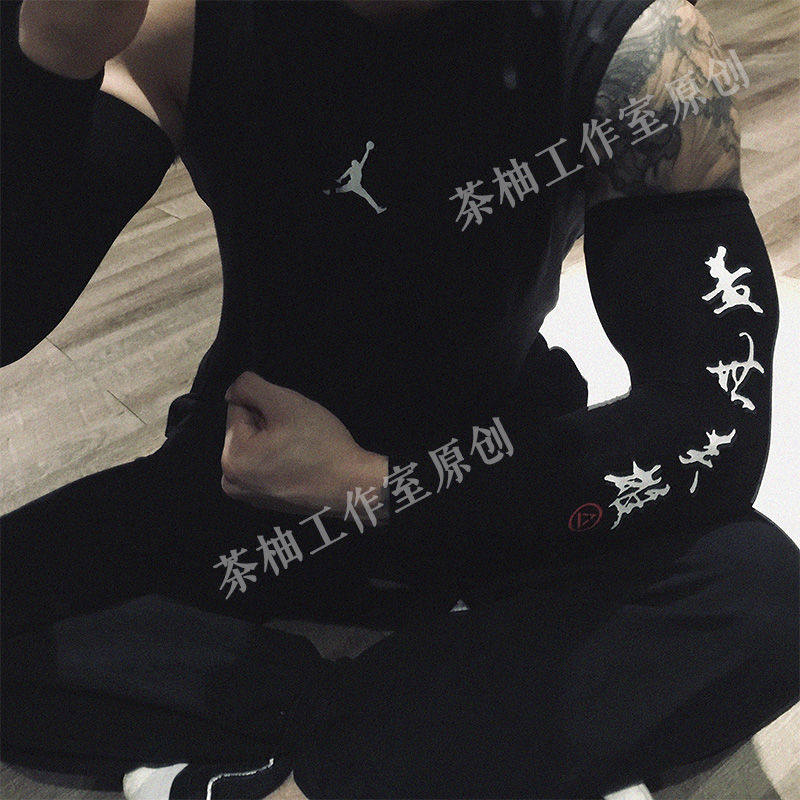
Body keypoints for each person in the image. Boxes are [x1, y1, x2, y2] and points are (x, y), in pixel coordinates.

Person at [1, 0, 797, 798]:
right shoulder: (180, 24)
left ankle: (303, 760)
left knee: (762, 595)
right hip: (252, 476)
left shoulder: (637, 45)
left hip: (492, 480)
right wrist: (54, 54)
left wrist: (374, 485)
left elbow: (713, 425)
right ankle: (411, 721)